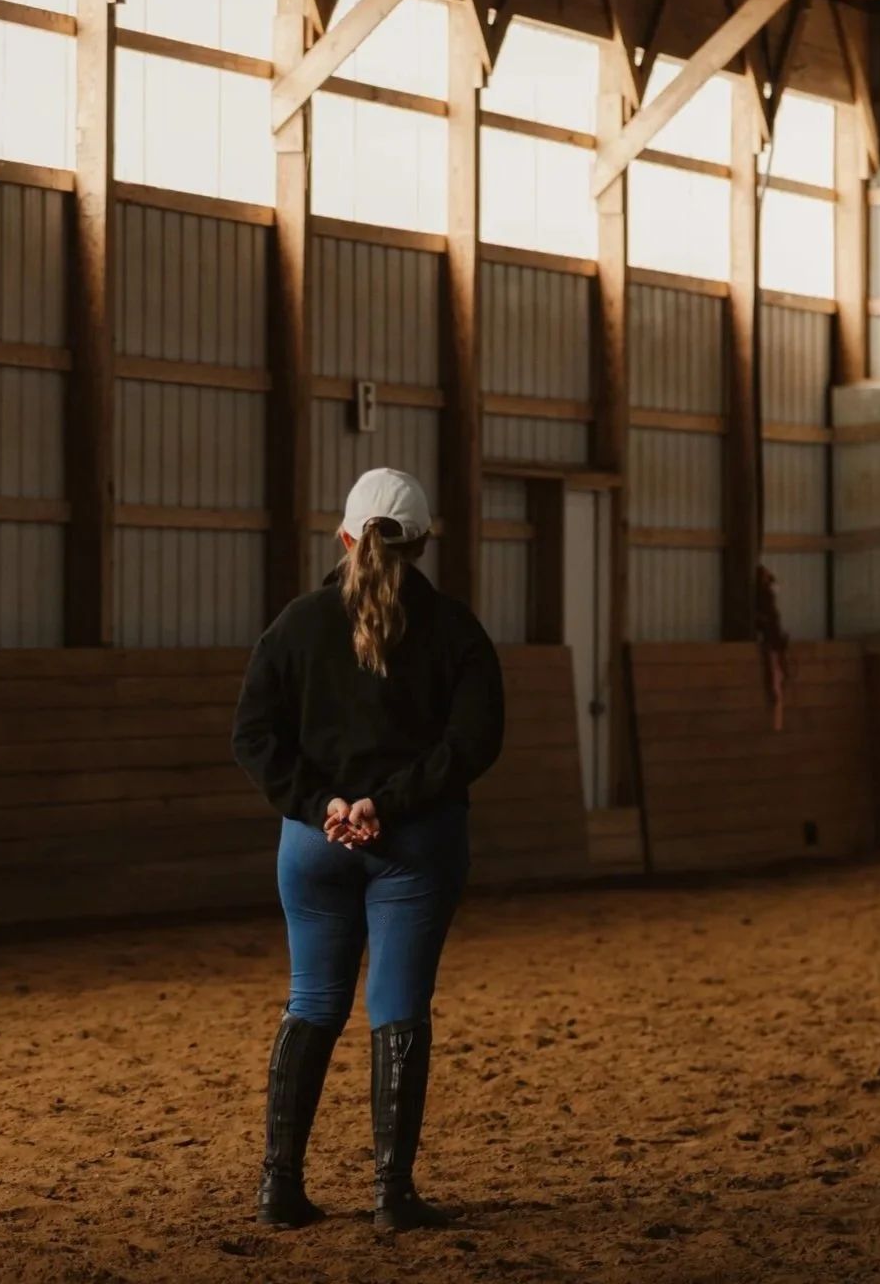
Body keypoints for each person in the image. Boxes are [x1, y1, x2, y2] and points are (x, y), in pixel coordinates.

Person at [231, 467, 504, 1234]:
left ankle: (279, 1188)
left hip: (313, 846)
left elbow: (252, 736)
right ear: (420, 543)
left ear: (345, 534)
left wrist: (326, 807)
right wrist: (389, 803)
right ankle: (392, 1194)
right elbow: (475, 742)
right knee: (397, 1006)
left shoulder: (294, 626)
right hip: (414, 844)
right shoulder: (455, 631)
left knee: (312, 1001)